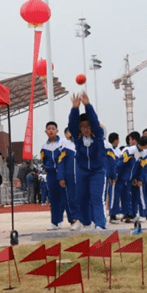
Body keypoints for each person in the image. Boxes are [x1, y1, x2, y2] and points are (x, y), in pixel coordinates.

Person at [69, 92, 107, 229]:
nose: (86, 128)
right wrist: (75, 109)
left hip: (97, 171)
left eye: (88, 126)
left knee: (96, 197)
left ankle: (100, 224)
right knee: (82, 197)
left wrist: (87, 105)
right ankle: (85, 222)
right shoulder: (78, 138)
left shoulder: (98, 136)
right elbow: (72, 124)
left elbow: (95, 122)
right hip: (81, 170)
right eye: (83, 126)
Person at [110, 135, 147, 223]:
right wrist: (115, 175)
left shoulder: (143, 154)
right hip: (120, 178)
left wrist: (139, 179)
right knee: (116, 196)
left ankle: (127, 215)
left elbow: (142, 168)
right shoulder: (130, 151)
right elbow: (120, 163)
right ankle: (113, 216)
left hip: (129, 179)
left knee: (127, 196)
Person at [41, 121, 67, 230]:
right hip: (51, 174)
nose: (51, 130)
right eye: (49, 129)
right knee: (53, 198)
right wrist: (46, 168)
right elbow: (44, 160)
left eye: (53, 128)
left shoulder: (63, 143)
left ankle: (72, 220)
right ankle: (55, 222)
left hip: (62, 173)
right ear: (46, 132)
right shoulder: (44, 146)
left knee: (65, 197)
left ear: (57, 130)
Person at [58, 127, 81, 229]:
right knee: (71, 198)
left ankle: (86, 219)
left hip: (83, 175)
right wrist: (61, 177)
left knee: (84, 197)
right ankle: (75, 219)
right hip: (70, 176)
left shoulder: (84, 143)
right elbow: (61, 162)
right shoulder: (65, 145)